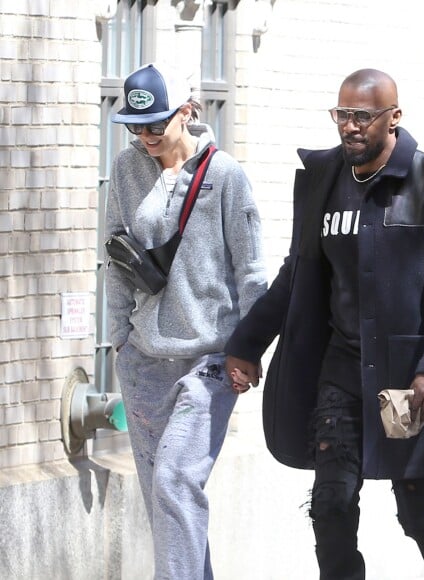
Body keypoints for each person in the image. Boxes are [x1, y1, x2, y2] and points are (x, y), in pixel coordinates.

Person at [226, 69, 424, 580]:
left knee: (419, 510)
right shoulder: (324, 182)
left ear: (394, 117)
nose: (350, 127)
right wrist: (247, 343)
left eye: (363, 116)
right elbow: (297, 273)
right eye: (343, 115)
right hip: (341, 371)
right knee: (331, 503)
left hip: (407, 378)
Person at [105, 62, 267, 579]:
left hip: (209, 362)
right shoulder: (127, 171)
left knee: (176, 483)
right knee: (165, 504)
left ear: (188, 111)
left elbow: (252, 271)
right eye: (136, 125)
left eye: (156, 123)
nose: (146, 136)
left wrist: (251, 348)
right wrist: (118, 343)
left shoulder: (225, 176)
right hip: (144, 361)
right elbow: (114, 258)